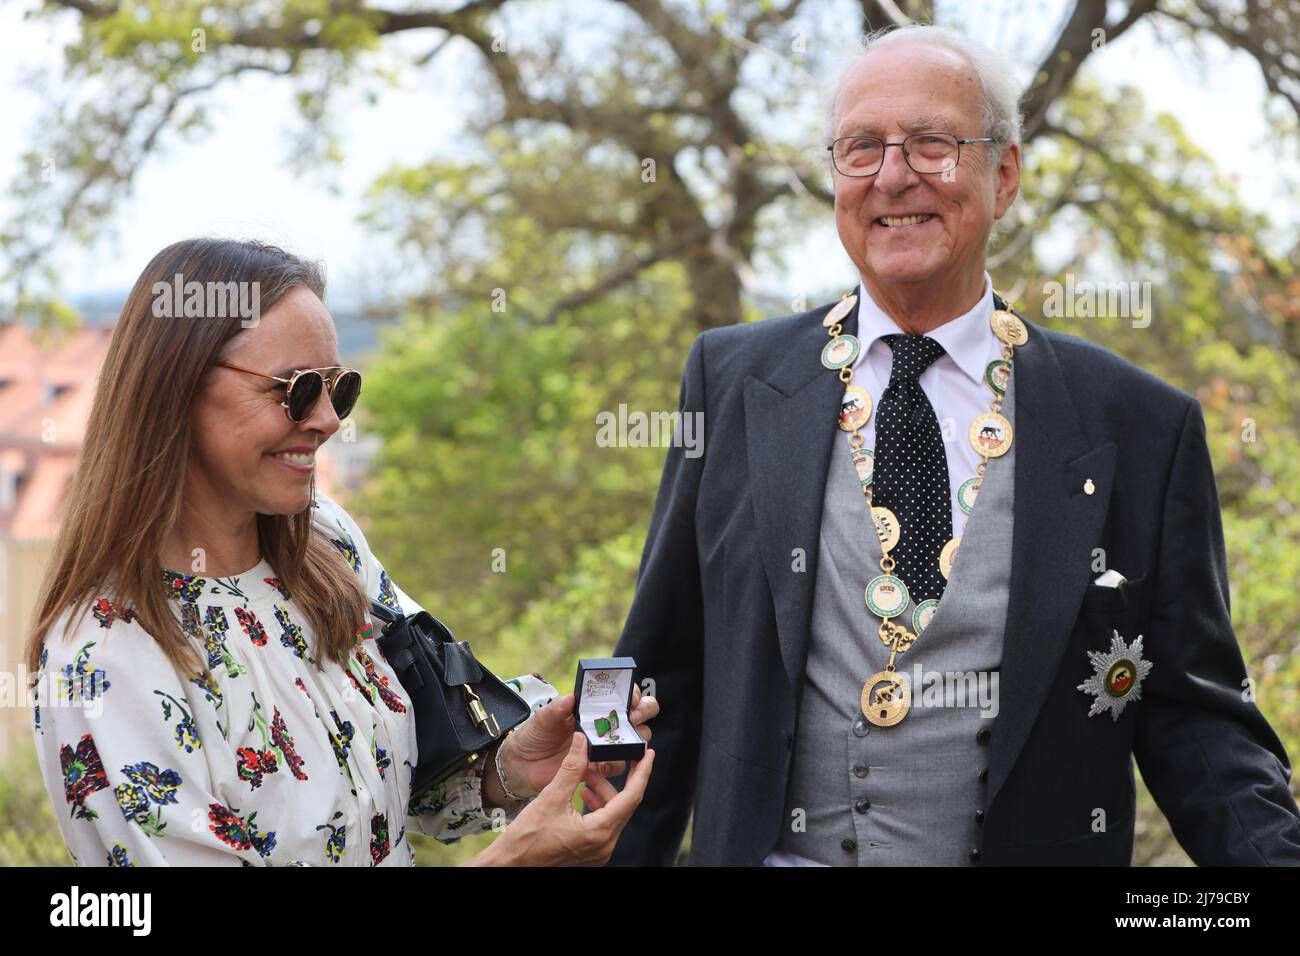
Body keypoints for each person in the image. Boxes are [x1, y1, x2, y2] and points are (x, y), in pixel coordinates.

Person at [607, 25, 1300, 866]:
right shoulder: (729, 381)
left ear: (1003, 174)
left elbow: (1196, 719)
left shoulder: (1138, 424)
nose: (894, 175)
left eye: (933, 143)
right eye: (861, 148)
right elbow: (660, 685)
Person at [27, 237, 655, 867]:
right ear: (176, 389)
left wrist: (513, 763)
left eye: (339, 387)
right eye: (298, 389)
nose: (328, 419)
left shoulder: (324, 538)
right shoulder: (103, 656)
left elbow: (397, 792)